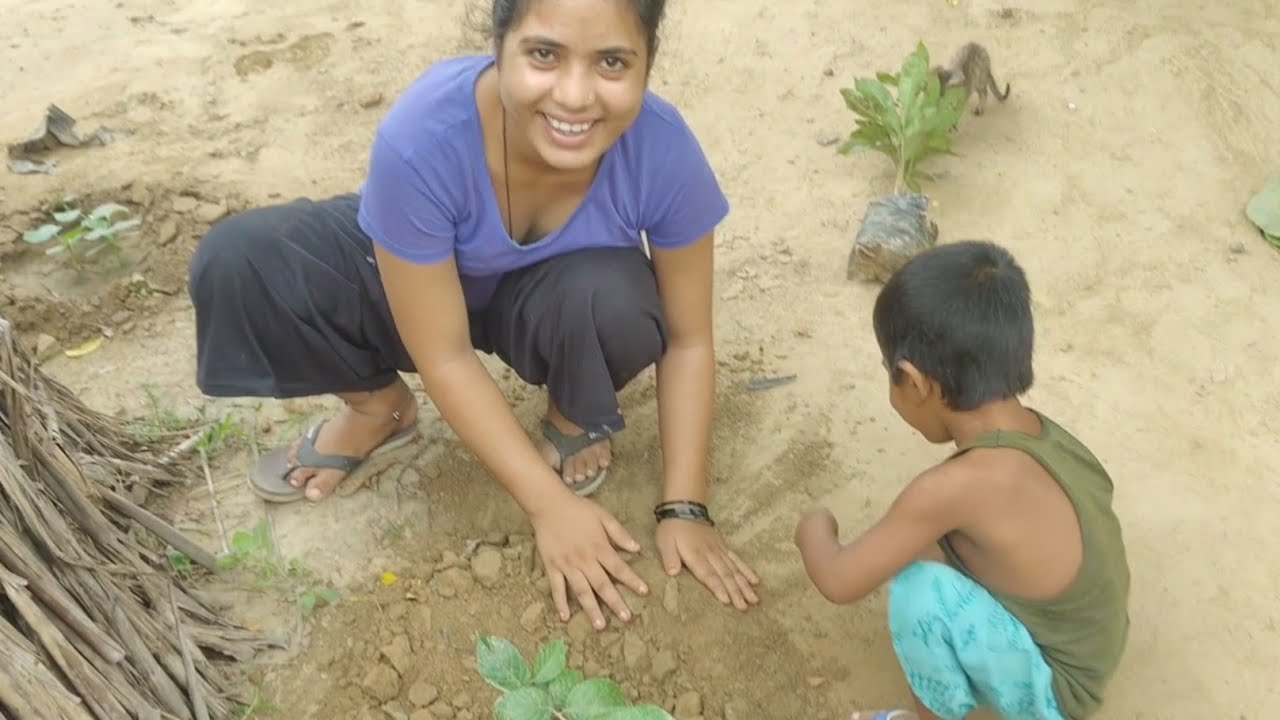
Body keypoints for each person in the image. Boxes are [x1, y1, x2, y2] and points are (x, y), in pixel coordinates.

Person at [188, 0, 760, 631]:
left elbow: (687, 340)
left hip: (556, 298)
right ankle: (379, 408)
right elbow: (445, 354)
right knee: (242, 260)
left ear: (648, 64)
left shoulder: (662, 148)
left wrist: (685, 508)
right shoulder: (423, 138)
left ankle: (575, 411)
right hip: (419, 281)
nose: (574, 96)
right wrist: (550, 509)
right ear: (499, 43)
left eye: (612, 62)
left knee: (616, 299)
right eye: (544, 54)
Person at [793, 241, 1131, 720]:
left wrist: (814, 526)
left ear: (913, 381)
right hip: (1091, 648)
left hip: (1059, 694)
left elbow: (839, 579)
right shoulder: (1046, 438)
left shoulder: (950, 490)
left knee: (919, 592)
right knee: (928, 546)